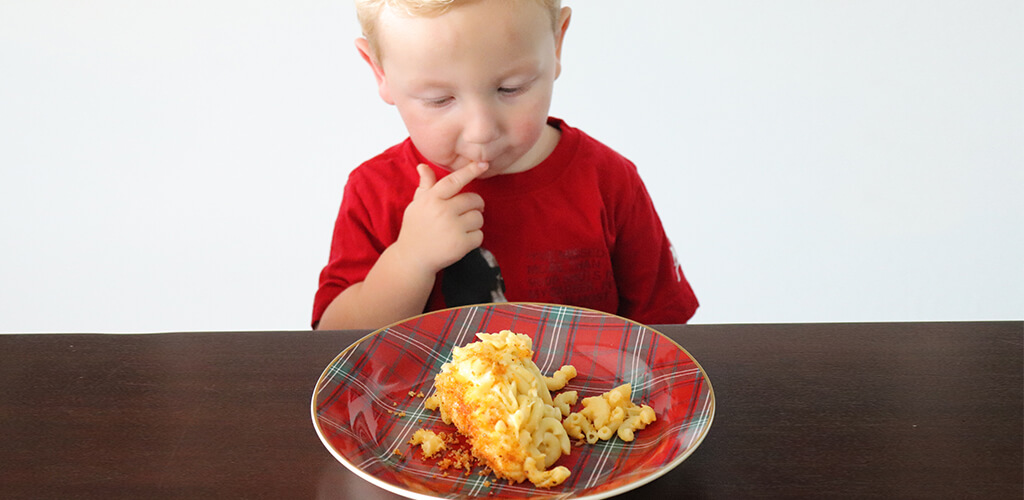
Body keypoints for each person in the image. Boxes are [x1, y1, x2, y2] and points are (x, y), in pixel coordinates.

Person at [313, 0, 698, 330]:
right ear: (380, 73)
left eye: (511, 88)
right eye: (439, 99)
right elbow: (333, 340)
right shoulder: (374, 189)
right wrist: (408, 261)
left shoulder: (610, 180)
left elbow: (666, 334)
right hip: (423, 414)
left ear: (558, 43)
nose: (481, 132)